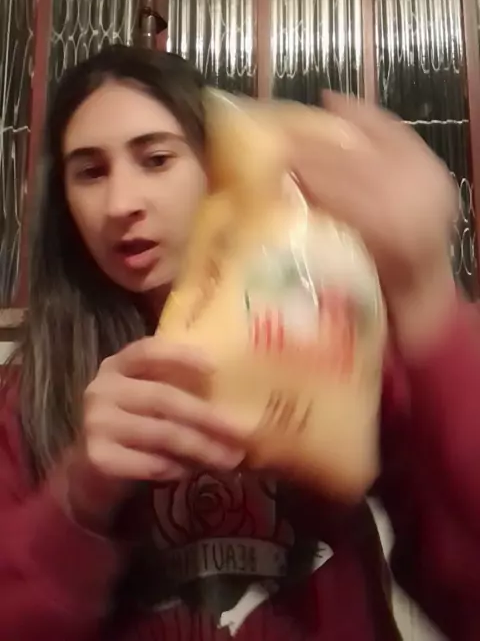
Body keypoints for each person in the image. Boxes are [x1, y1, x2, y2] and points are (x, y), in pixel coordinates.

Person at [0, 44, 479, 641]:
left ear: (215, 167)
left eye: (156, 159)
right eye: (91, 172)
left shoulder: (330, 337)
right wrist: (79, 495)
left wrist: (427, 300)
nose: (122, 204)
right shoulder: (26, 397)